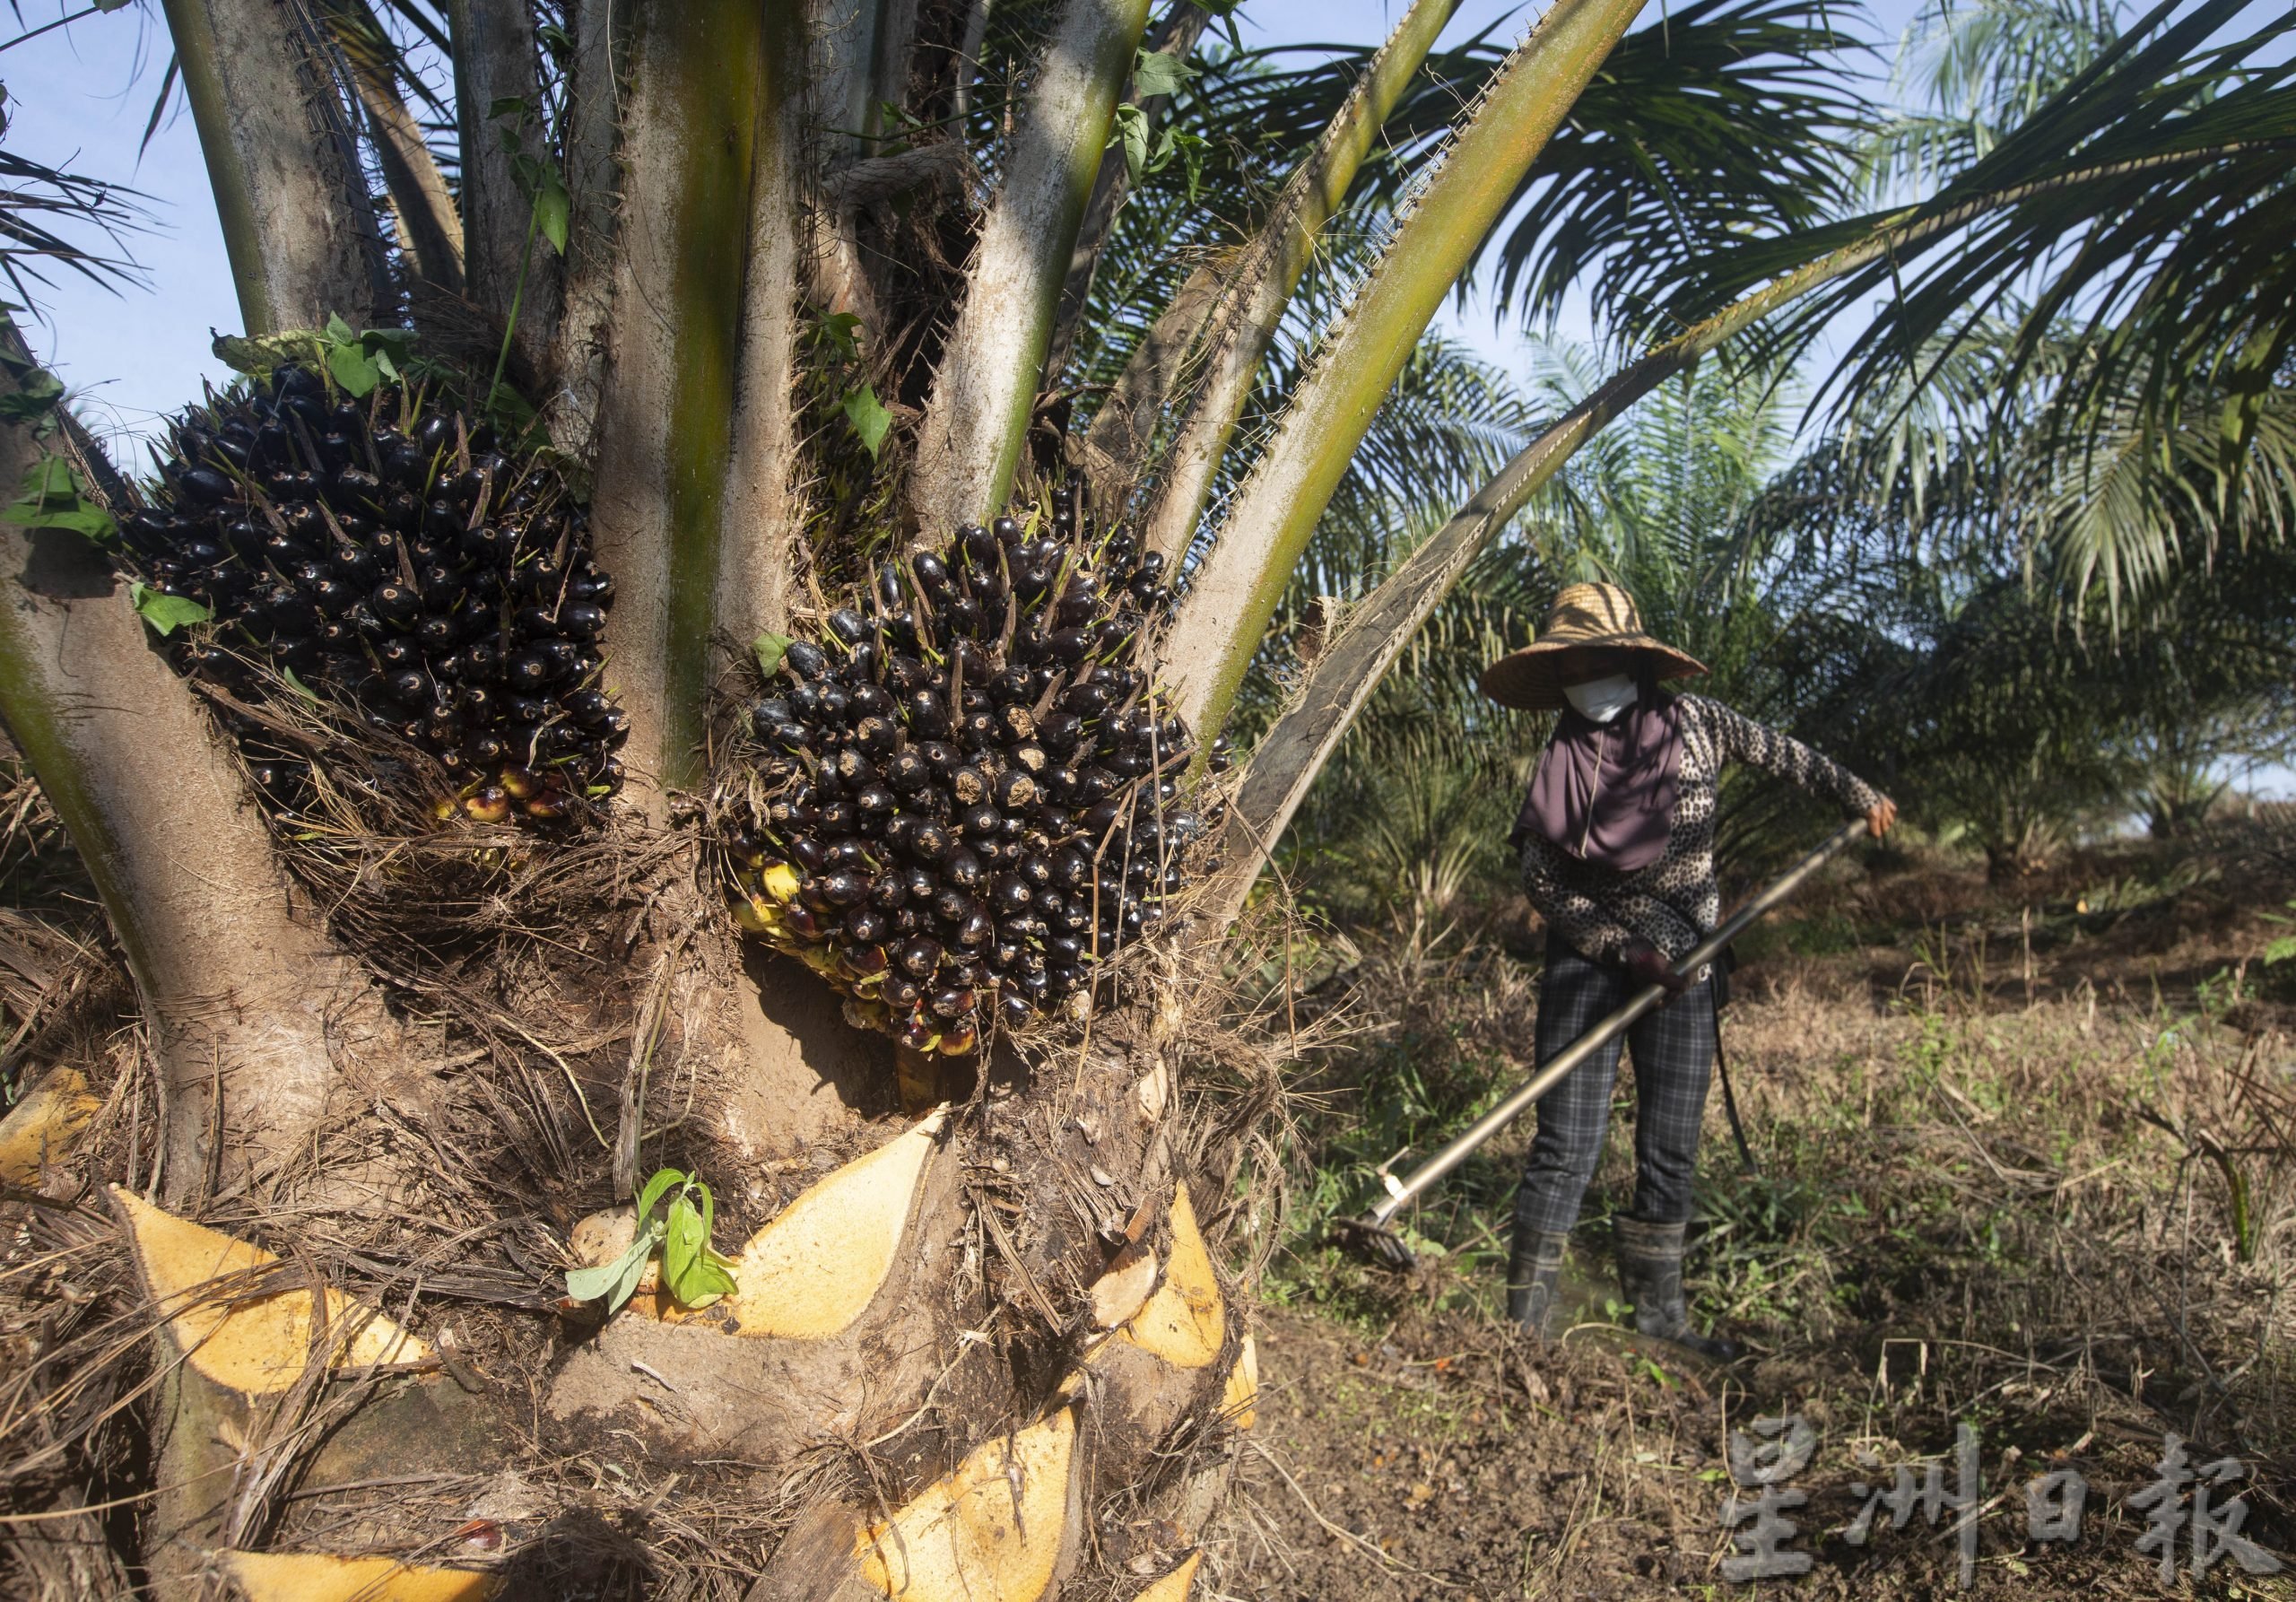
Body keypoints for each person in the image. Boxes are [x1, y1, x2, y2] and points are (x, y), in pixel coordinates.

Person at [1479, 582, 1895, 1359]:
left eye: (1596, 658)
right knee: (1566, 1141)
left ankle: (1660, 1321)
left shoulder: (1698, 724)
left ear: (1633, 661)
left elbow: (1785, 754)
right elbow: (1543, 882)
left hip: (1689, 967)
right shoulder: (1563, 754)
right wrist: (1619, 948)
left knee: (1670, 1147)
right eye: (1570, 662)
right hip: (1591, 965)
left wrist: (1858, 794)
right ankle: (1524, 1333)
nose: (1584, 674)